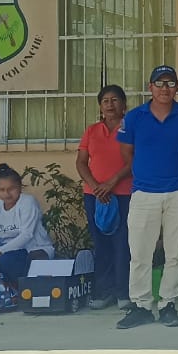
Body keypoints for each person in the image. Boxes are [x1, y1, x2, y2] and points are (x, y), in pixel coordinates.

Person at [115, 65, 178, 330]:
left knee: (176, 253)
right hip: (144, 193)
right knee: (140, 253)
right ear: (150, 87)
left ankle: (168, 305)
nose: (165, 88)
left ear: (177, 88)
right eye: (160, 83)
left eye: (170, 83)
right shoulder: (134, 117)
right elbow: (127, 152)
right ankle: (141, 306)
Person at [76, 84, 133, 310]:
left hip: (123, 194)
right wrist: (95, 186)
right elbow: (81, 162)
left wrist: (112, 182)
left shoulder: (130, 128)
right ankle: (103, 292)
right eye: (105, 101)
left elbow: (134, 161)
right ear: (100, 106)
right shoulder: (91, 131)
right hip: (95, 196)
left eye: (115, 100)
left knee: (122, 245)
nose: (110, 104)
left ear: (123, 104)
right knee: (101, 245)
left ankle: (123, 293)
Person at [0, 162, 54, 294]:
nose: (7, 194)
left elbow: (27, 235)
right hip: (1, 250)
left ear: (20, 187)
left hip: (30, 249)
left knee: (8, 260)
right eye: (2, 190)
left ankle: (19, 293)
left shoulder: (28, 202)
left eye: (11, 189)